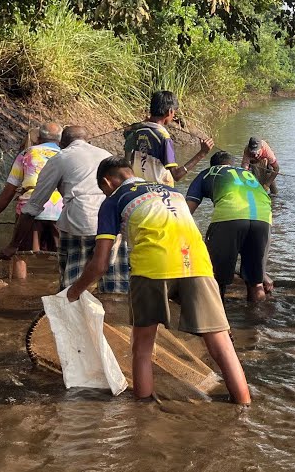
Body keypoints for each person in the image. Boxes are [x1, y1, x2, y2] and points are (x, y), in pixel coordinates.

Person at [66, 157, 251, 404]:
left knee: (142, 348)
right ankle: (244, 408)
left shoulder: (113, 201)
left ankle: (142, 415)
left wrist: (73, 292)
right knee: (222, 346)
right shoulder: (172, 191)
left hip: (153, 268)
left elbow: (100, 264)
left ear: (107, 182)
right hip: (197, 264)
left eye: (103, 190)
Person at [4, 126, 130, 292]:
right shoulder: (107, 155)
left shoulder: (60, 158)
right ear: (88, 140)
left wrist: (13, 245)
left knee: (72, 287)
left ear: (62, 144)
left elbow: (32, 207)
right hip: (113, 225)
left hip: (79, 224)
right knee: (114, 287)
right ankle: (113, 314)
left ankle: (70, 306)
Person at [0, 122, 64, 278]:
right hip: (60, 211)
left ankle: (20, 291)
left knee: (22, 255)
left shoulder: (26, 154)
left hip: (30, 210)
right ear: (60, 140)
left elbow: (8, 192)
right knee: (59, 257)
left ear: (39, 137)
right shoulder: (65, 155)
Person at [186, 151, 274, 303]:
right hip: (264, 219)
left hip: (229, 216)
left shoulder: (207, 173)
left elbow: (186, 212)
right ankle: (257, 323)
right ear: (232, 165)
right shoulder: (248, 175)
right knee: (256, 281)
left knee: (216, 278)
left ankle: (216, 321)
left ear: (213, 165)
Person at [123, 90, 213, 187]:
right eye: (174, 112)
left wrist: (143, 123)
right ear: (170, 111)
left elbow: (127, 130)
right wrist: (202, 153)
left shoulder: (138, 130)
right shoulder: (164, 137)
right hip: (159, 191)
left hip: (138, 188)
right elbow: (176, 175)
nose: (173, 116)